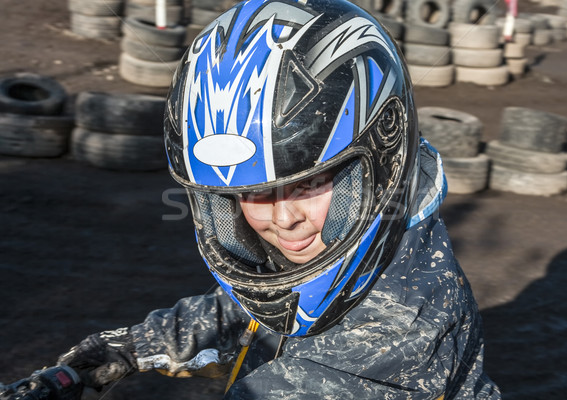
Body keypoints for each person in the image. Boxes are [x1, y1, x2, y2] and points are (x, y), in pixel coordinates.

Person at [58, 0, 501, 398]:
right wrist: (128, 348)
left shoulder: (402, 326)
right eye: (252, 193)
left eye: (310, 183)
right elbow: (239, 315)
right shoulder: (330, 262)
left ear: (380, 164)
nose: (284, 218)